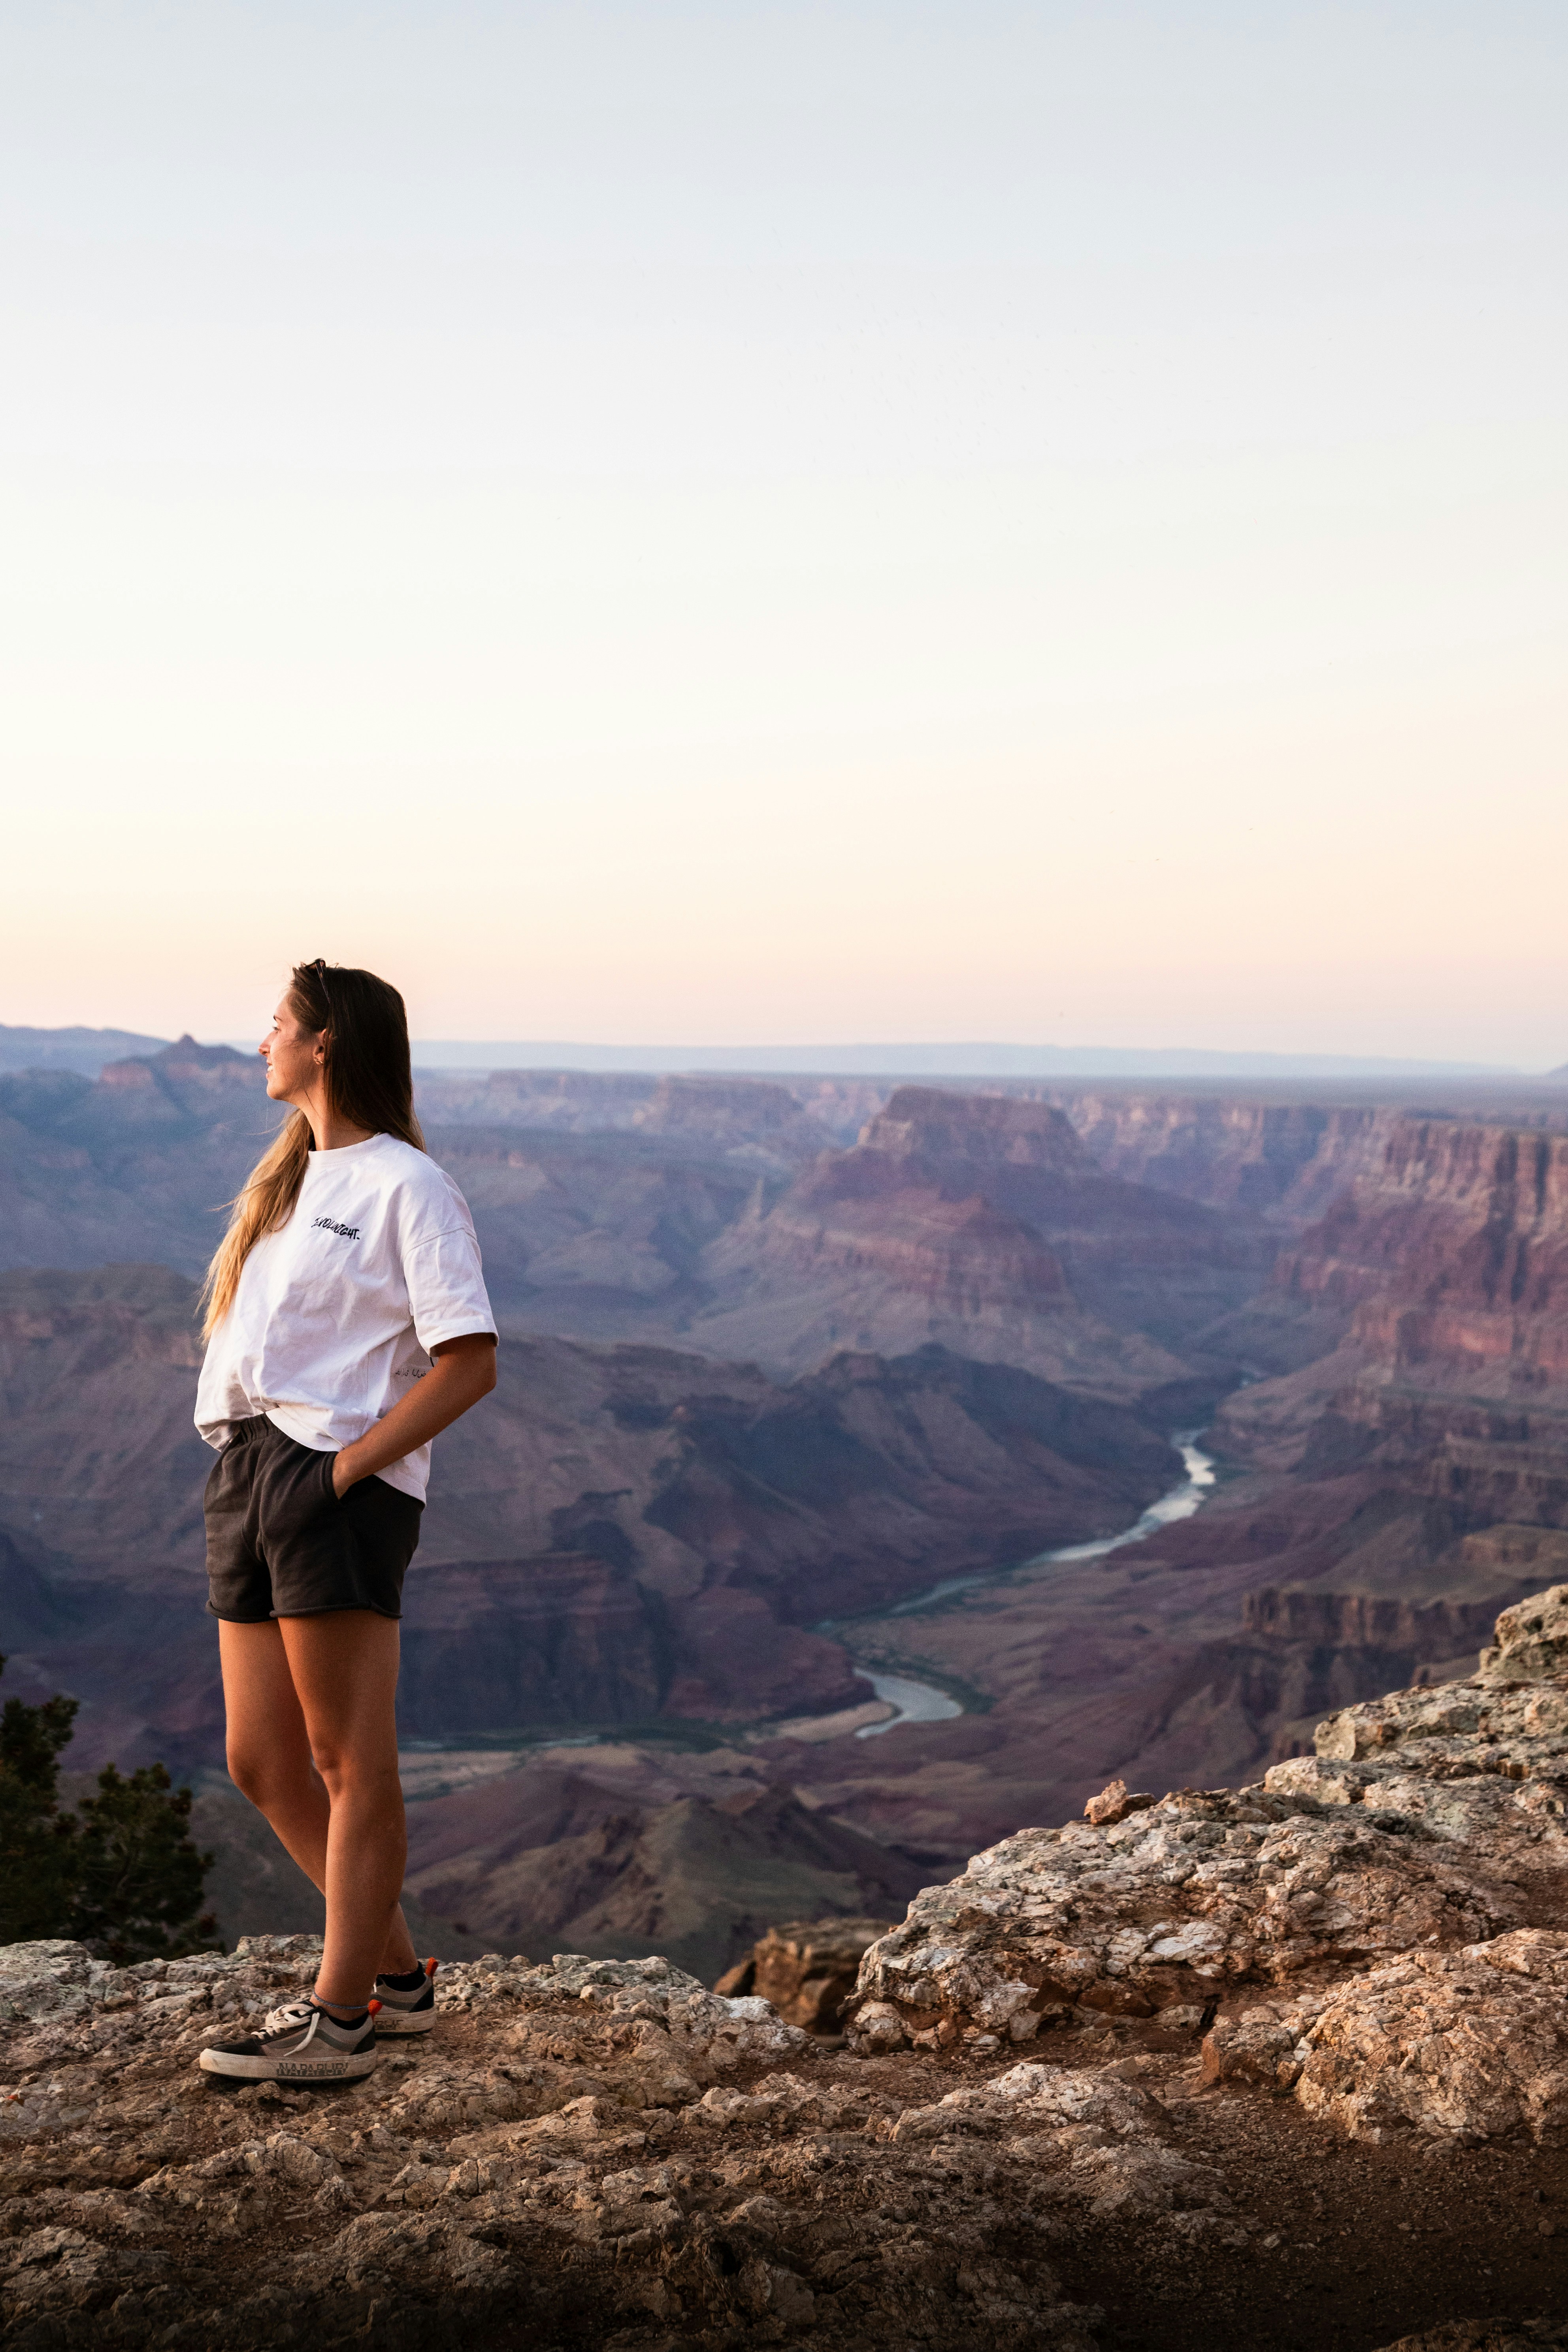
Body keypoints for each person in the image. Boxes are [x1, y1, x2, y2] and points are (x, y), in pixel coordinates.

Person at [190, 959, 497, 2082]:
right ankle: (402, 1983)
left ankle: (345, 2020)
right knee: (262, 1757)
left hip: (331, 1482)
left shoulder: (407, 1187)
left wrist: (347, 1471)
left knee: (347, 1759)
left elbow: (470, 1361)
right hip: (249, 1471)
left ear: (325, 1044)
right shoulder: (288, 1181)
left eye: (277, 1023)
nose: (260, 1039)